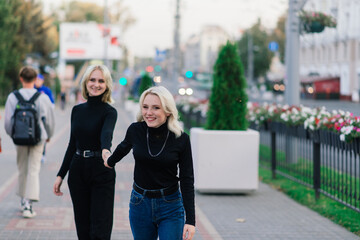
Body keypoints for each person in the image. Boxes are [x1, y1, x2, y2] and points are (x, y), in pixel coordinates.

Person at [104, 86, 196, 240]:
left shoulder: (181, 139)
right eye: (145, 107)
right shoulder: (135, 130)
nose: (148, 113)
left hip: (171, 205)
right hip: (140, 204)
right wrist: (109, 160)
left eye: (156, 108)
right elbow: (122, 149)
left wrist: (191, 221)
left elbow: (187, 179)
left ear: (168, 111)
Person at [53, 65, 118, 240]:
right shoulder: (77, 110)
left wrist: (106, 151)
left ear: (107, 85)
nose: (96, 84)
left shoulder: (110, 112)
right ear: (86, 82)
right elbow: (72, 144)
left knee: (100, 229)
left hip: (101, 170)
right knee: (83, 229)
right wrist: (61, 175)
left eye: (101, 81)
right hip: (78, 171)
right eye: (92, 80)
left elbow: (107, 134)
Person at [4, 66, 55, 218]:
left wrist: (13, 135)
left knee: (22, 169)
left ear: (21, 78)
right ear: (35, 79)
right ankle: (28, 205)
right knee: (33, 170)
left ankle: (22, 199)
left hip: (19, 139)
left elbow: (7, 122)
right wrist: (49, 135)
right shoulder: (42, 98)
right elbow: (49, 121)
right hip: (38, 139)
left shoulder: (13, 97)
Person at [34, 73, 55, 163]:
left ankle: (43, 154)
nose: (37, 81)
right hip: (33, 116)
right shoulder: (32, 89)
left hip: (43, 117)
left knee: (43, 135)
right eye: (36, 79)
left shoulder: (46, 90)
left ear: (42, 81)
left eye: (39, 80)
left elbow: (52, 104)